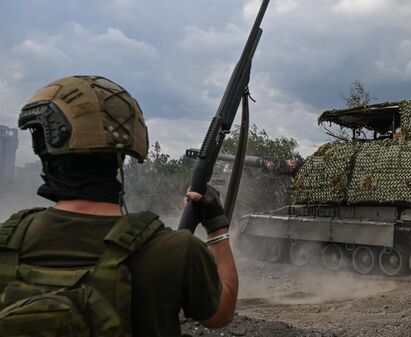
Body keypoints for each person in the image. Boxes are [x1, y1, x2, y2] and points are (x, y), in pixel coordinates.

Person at [0, 75, 237, 336]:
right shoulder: (176, 251)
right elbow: (221, 313)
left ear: (43, 147)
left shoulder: (8, 240)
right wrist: (217, 228)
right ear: (127, 146)